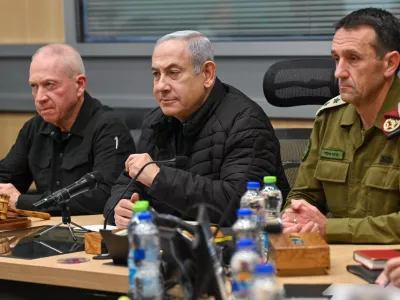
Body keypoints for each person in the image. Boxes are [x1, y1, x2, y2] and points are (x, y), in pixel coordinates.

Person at [104, 30, 289, 228]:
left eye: (173, 73)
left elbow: (238, 205)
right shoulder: (155, 120)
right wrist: (119, 208)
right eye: (156, 74)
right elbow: (125, 184)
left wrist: (158, 178)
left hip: (237, 248)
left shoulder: (245, 122)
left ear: (207, 74)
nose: (161, 86)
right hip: (168, 245)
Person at [282, 8, 400, 243]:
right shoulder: (330, 117)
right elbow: (304, 193)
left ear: (390, 63)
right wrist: (295, 216)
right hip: (332, 258)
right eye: (336, 58)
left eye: (353, 59)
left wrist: (331, 228)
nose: (338, 72)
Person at [0, 44, 136, 215]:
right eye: (34, 86)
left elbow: (105, 195)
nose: (40, 97)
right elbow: (6, 178)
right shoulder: (34, 127)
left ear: (79, 85)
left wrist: (23, 202)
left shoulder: (109, 127)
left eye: (49, 84)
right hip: (46, 233)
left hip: (89, 235)